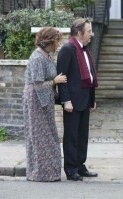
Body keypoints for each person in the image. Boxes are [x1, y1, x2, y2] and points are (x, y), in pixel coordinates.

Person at [23, 27, 67, 182]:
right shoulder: (36, 58)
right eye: (57, 40)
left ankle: (50, 173)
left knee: (49, 136)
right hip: (35, 101)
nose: (58, 44)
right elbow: (37, 84)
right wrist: (55, 81)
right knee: (39, 137)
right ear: (50, 41)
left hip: (45, 101)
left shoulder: (47, 56)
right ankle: (39, 173)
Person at [57, 18, 98, 181]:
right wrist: (65, 100)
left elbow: (90, 76)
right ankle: (71, 169)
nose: (91, 34)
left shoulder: (85, 50)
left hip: (85, 99)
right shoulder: (68, 49)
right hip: (72, 102)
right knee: (71, 136)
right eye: (89, 31)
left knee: (82, 135)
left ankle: (80, 166)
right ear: (79, 33)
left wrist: (92, 98)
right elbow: (62, 77)